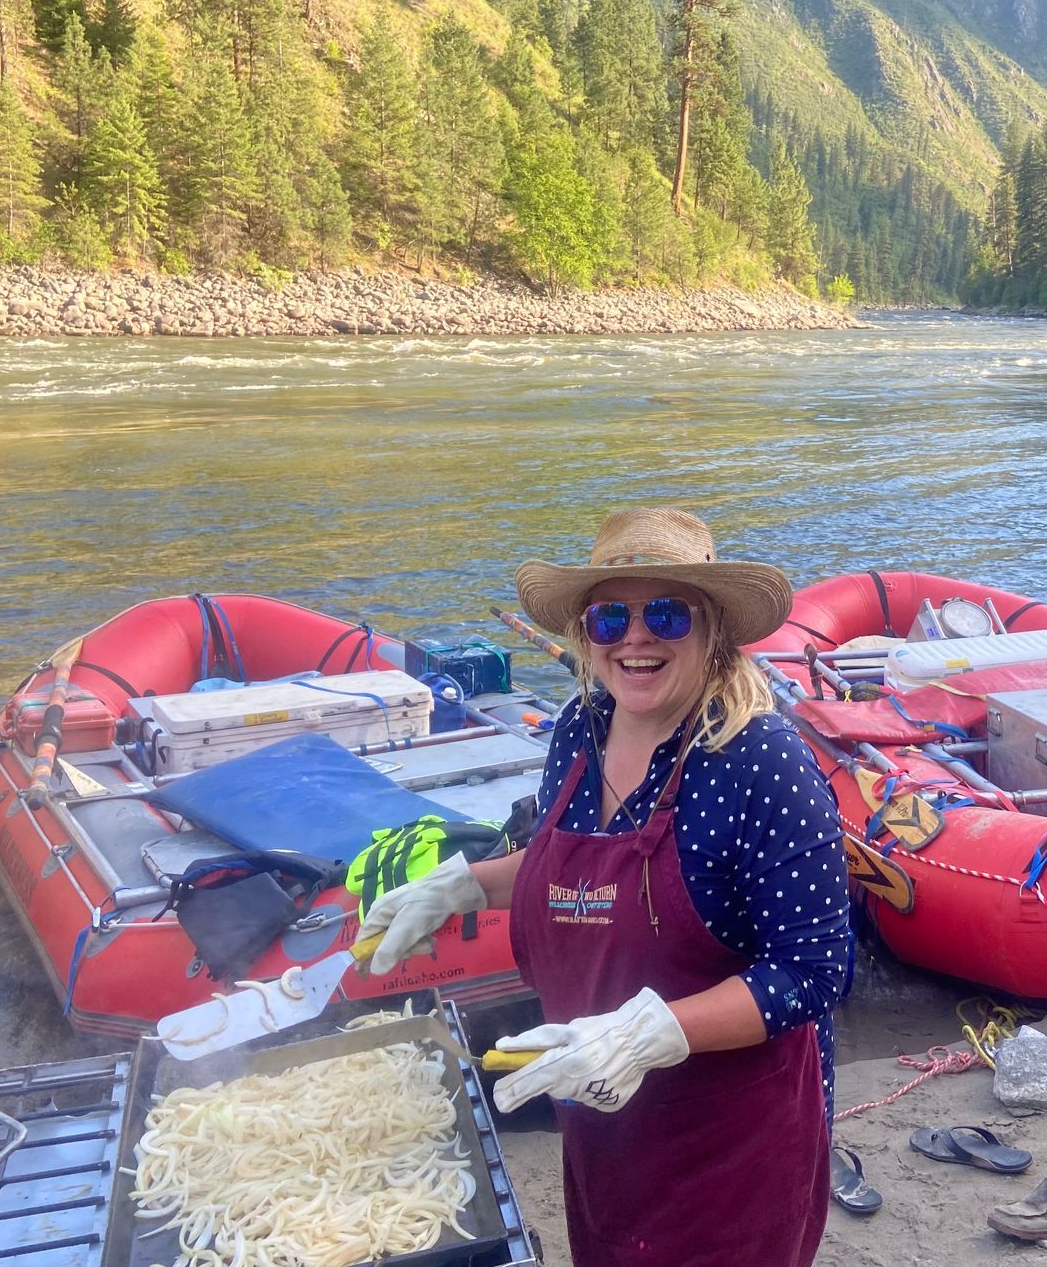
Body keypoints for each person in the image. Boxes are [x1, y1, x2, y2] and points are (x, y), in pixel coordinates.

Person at [356, 507, 852, 1267]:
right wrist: (456, 888)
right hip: (601, 1119)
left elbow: (814, 971)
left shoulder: (762, 763)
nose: (634, 637)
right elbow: (579, 869)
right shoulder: (580, 726)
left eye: (665, 613)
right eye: (608, 616)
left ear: (714, 629)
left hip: (728, 1146)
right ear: (585, 634)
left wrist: (647, 1033)